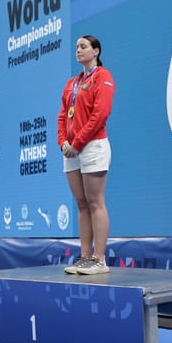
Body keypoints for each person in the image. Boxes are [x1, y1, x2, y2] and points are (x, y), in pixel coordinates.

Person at [57, 35, 115, 275]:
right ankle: (84, 257)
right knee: (81, 204)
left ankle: (99, 259)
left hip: (92, 146)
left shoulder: (102, 76)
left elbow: (100, 114)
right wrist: (63, 142)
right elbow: (63, 115)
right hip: (71, 149)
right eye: (76, 47)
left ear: (96, 51)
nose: (78, 50)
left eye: (83, 46)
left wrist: (78, 142)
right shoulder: (72, 83)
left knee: (95, 202)